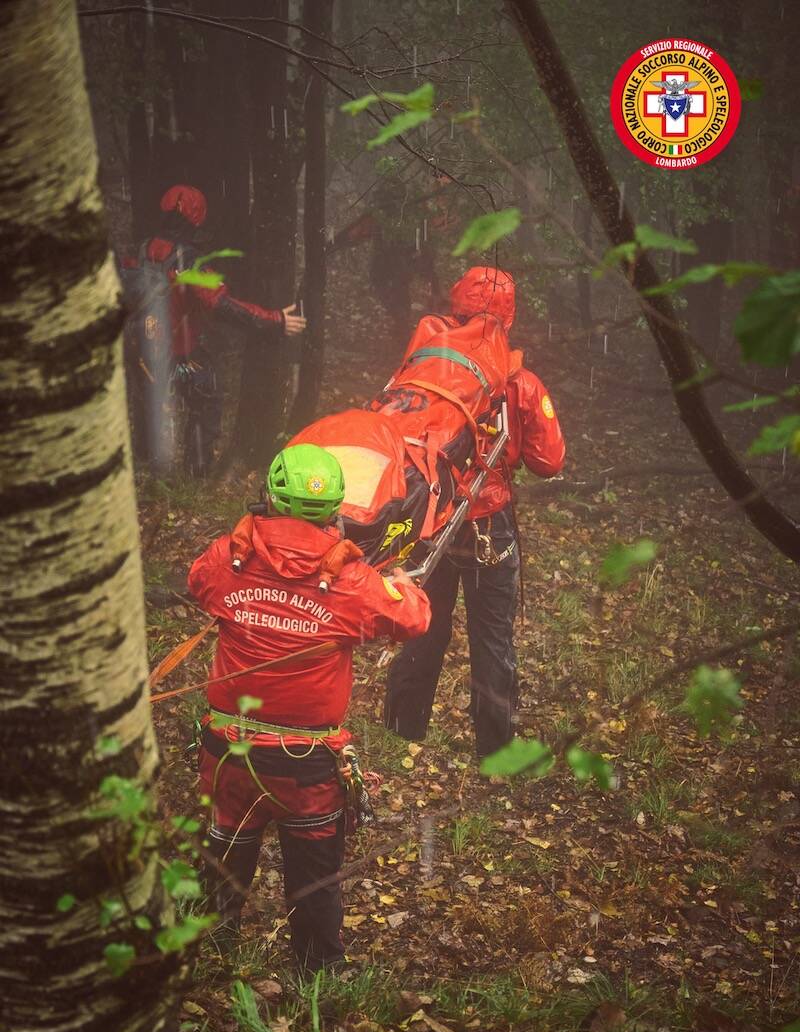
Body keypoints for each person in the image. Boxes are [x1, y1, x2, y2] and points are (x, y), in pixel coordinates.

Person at [187, 443, 430, 971]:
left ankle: (206, 956)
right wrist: (405, 586)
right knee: (315, 872)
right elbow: (412, 620)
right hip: (306, 764)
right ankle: (316, 971)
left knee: (224, 851)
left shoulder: (227, 558)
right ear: (336, 508)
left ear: (270, 495)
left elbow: (198, 583)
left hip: (230, 750)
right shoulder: (351, 582)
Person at [383, 267, 566, 762]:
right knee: (491, 639)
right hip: (489, 525)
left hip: (433, 515)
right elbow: (549, 461)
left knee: (423, 626)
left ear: (456, 305)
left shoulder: (425, 365)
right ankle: (494, 752)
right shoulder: (518, 381)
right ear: (509, 316)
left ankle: (401, 732)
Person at [123, 184, 306, 476]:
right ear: (197, 218)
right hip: (175, 354)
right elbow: (223, 305)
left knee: (146, 403)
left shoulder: (140, 250)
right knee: (206, 395)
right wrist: (275, 320)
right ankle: (195, 476)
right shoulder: (190, 261)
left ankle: (144, 469)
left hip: (136, 350)